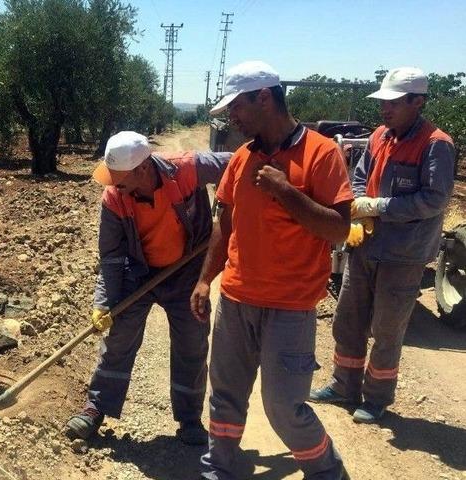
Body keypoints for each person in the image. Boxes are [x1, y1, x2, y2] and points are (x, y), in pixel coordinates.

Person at [191, 61, 353, 480]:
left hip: (290, 308)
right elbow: (223, 224)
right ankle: (219, 469)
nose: (233, 118)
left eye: (237, 108)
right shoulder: (242, 158)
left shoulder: (321, 152)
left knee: (283, 407)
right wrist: (205, 279)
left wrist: (285, 191)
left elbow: (338, 229)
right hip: (237, 300)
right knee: (224, 397)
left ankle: (326, 470)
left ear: (264, 97)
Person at [310, 67, 457, 423]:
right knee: (348, 320)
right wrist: (360, 206)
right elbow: (359, 178)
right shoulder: (379, 136)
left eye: (393, 102)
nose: (384, 109)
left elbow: (434, 200)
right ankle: (344, 385)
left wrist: (379, 207)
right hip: (366, 247)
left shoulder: (437, 144)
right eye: (383, 102)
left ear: (417, 102)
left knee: (387, 329)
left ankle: (376, 397)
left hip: (403, 255)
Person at [65, 131, 230, 446]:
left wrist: (247, 191)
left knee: (192, 345)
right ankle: (96, 407)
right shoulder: (115, 197)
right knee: (119, 340)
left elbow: (238, 164)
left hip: (186, 273)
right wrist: (105, 303)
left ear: (143, 169)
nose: (114, 185)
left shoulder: (185, 169)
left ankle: (190, 420)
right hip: (137, 274)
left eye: (120, 178)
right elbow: (112, 258)